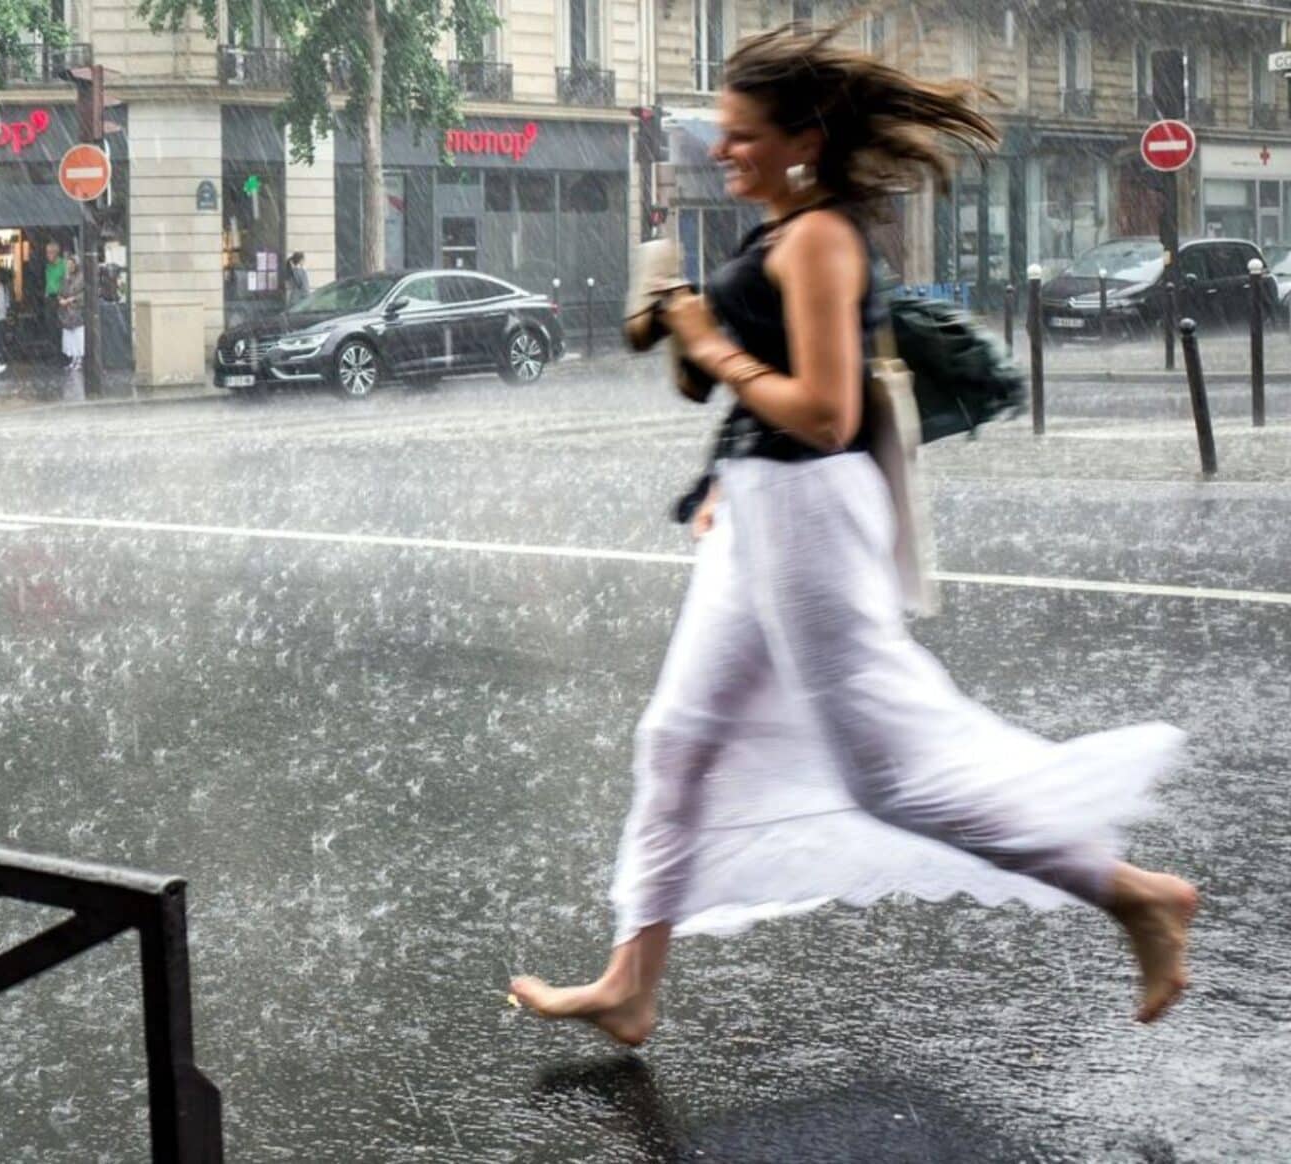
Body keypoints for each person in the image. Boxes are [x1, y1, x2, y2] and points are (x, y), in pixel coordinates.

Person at [509, 24, 1199, 1045]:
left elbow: (827, 413)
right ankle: (630, 983)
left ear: (803, 140)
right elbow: (735, 382)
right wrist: (688, 353)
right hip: (757, 508)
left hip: (811, 516)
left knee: (888, 778)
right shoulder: (774, 234)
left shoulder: (824, 237)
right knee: (679, 741)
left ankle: (1132, 893)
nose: (724, 150)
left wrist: (709, 343)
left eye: (743, 136)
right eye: (724, 134)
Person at [58, 254, 86, 373]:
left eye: (71, 264)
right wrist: (61, 300)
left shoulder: (81, 278)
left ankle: (79, 359)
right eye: (68, 265)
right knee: (70, 338)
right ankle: (73, 359)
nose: (69, 266)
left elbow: (84, 294)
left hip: (77, 312)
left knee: (78, 336)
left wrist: (72, 299)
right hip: (67, 313)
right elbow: (60, 292)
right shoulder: (65, 278)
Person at [43, 241, 68, 362]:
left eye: (49, 253)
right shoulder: (48, 266)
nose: (47, 255)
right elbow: (49, 281)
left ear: (56, 253)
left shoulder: (64, 265)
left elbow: (66, 281)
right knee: (50, 326)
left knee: (61, 326)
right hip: (50, 298)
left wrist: (61, 295)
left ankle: (63, 354)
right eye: (47, 253)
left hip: (59, 298)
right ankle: (54, 353)